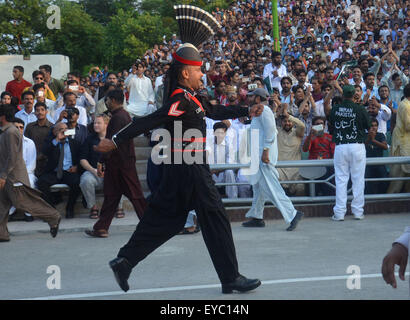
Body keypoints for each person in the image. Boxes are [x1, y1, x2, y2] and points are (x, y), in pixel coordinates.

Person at [95, 42, 264, 294]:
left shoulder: (192, 97)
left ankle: (125, 261)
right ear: (185, 73)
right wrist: (116, 140)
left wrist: (246, 110)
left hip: (179, 167)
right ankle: (231, 278)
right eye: (198, 71)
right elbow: (155, 118)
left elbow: (215, 110)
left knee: (167, 219)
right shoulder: (180, 99)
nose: (202, 75)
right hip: (190, 167)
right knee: (215, 216)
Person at [85, 89, 146, 237]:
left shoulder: (119, 117)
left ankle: (150, 224)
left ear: (112, 100)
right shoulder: (122, 116)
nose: (105, 103)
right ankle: (101, 228)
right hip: (118, 163)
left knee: (136, 196)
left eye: (106, 100)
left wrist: (101, 160)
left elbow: (110, 143)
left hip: (122, 164)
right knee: (111, 196)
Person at [241, 88, 304, 230]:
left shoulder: (265, 111)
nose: (249, 98)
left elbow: (271, 132)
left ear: (258, 98)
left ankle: (292, 214)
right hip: (258, 156)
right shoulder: (258, 111)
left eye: (252, 97)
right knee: (258, 188)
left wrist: (265, 152)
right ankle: (257, 217)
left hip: (265, 157)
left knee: (271, 187)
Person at [0, 105, 61, 242]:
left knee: (23, 203)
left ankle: (53, 216)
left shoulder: (11, 132)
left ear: (3, 116)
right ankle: (2, 234)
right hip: (6, 177)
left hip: (13, 177)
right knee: (2, 205)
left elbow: (13, 156)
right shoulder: (5, 132)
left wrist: (3, 176)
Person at [328, 85, 371, 221]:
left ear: (342, 95)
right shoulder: (360, 108)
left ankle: (339, 213)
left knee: (341, 180)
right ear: (354, 95)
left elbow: (331, 123)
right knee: (358, 180)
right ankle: (358, 212)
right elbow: (368, 125)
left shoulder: (335, 109)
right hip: (357, 146)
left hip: (340, 146)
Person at [36, 122, 82, 219]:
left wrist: (77, 167)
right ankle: (51, 211)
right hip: (54, 172)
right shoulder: (51, 142)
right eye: (61, 129)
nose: (64, 131)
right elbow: (45, 151)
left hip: (69, 171)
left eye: (66, 128)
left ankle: (70, 208)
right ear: (54, 132)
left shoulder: (75, 143)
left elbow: (81, 157)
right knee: (41, 182)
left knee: (77, 182)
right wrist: (57, 139)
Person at [8, 118, 37, 222]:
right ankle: (10, 211)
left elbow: (31, 164)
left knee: (29, 183)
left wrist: (19, 175)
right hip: (9, 173)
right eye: (16, 127)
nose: (18, 129)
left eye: (21, 127)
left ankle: (27, 212)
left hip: (27, 172)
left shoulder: (29, 143)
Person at [387, 84, 410, 193]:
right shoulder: (405, 105)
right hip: (403, 146)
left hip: (406, 145)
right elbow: (408, 125)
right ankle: (389, 204)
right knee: (398, 179)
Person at [25, 102, 54, 178]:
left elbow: (54, 145)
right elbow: (25, 143)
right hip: (32, 160)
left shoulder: (52, 127)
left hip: (48, 161)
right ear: (34, 113)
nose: (40, 112)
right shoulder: (29, 126)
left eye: (42, 110)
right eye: (37, 110)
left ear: (46, 111)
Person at [364, 118, 388, 194]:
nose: (374, 127)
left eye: (375, 125)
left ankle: (382, 200)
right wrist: (369, 138)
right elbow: (362, 147)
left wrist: (374, 140)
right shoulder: (364, 135)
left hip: (379, 163)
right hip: (367, 164)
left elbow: (385, 147)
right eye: (371, 126)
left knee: (384, 180)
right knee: (366, 182)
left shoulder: (381, 135)